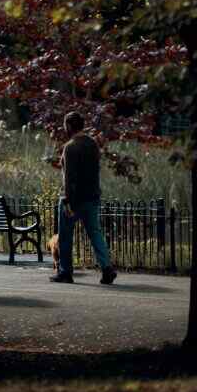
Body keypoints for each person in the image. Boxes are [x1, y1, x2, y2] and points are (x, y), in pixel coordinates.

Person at [50, 112, 117, 284]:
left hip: (74, 199)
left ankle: (65, 272)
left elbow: (70, 177)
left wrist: (67, 200)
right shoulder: (92, 144)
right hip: (92, 196)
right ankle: (107, 267)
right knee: (95, 233)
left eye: (65, 125)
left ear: (69, 126)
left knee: (65, 236)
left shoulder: (70, 147)